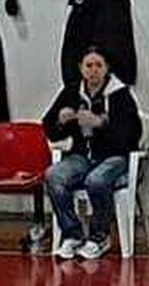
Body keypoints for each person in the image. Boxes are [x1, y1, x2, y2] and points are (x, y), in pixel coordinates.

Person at [43, 47, 143, 261]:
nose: (93, 70)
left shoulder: (120, 94)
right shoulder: (71, 92)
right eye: (89, 65)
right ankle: (72, 234)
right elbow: (49, 127)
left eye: (99, 65)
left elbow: (132, 136)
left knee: (96, 180)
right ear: (81, 68)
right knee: (53, 176)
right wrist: (60, 121)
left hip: (114, 156)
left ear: (107, 68)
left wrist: (102, 124)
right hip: (81, 156)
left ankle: (99, 237)